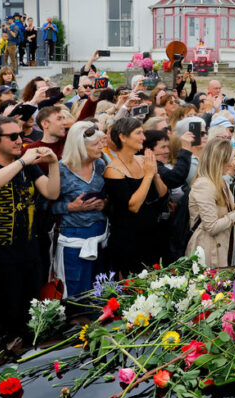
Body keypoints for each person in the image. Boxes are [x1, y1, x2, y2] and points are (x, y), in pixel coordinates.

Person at [0, 116, 60, 338]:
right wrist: (21, 162)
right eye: (13, 136)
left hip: (30, 254)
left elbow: (51, 192)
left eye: (20, 135)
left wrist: (54, 163)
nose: (20, 140)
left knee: (28, 319)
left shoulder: (27, 167)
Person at [47, 122, 108, 296]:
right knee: (75, 291)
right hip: (73, 240)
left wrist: (105, 204)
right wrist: (70, 207)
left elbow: (109, 195)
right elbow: (45, 206)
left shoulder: (101, 165)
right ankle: (76, 321)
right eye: (95, 145)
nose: (100, 147)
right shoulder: (60, 169)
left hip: (100, 237)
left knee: (99, 289)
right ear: (80, 147)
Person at [104, 118, 169, 276]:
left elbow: (163, 193)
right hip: (128, 240)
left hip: (152, 234)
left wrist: (155, 175)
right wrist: (147, 175)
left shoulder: (142, 160)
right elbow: (133, 205)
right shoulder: (113, 170)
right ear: (123, 137)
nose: (143, 137)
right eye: (138, 133)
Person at [186, 138, 235, 268]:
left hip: (221, 247)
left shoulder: (219, 180)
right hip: (208, 252)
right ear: (219, 161)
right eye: (229, 159)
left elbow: (222, 209)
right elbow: (212, 227)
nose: (231, 163)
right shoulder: (204, 185)